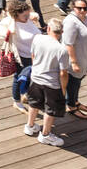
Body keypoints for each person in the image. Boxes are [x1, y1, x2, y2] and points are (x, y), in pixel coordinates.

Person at [24, 17, 71, 147]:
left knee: (33, 103)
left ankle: (30, 126)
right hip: (51, 84)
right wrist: (63, 88)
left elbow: (33, 56)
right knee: (50, 110)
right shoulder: (61, 50)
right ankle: (45, 135)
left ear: (48, 29)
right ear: (61, 32)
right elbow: (63, 73)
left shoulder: (38, 38)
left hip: (36, 78)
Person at [0, 0, 42, 113]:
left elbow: (33, 16)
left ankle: (26, 94)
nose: (27, 16)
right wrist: (9, 31)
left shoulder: (28, 18)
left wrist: (32, 17)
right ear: (16, 15)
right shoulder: (10, 22)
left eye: (28, 14)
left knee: (33, 77)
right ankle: (17, 101)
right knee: (19, 78)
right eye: (24, 15)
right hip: (22, 57)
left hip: (36, 54)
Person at [62, 0, 87, 119]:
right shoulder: (70, 22)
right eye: (79, 8)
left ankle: (75, 101)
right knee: (73, 82)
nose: (83, 11)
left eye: (85, 8)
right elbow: (68, 43)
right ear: (73, 8)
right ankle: (71, 106)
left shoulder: (86, 17)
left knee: (79, 80)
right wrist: (73, 62)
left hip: (85, 56)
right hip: (75, 58)